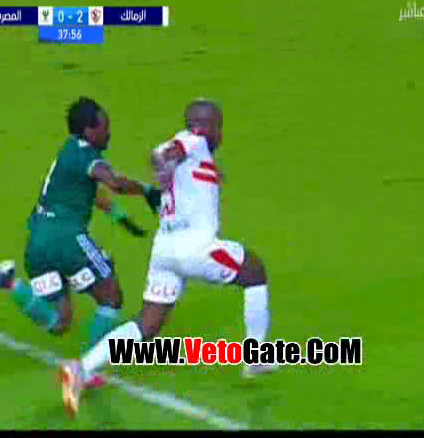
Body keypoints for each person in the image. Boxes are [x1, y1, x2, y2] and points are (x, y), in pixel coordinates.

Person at [58, 98, 277, 417]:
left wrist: (172, 168)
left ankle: (82, 368)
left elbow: (166, 156)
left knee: (147, 324)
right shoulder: (193, 140)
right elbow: (167, 153)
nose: (219, 134)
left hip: (165, 251)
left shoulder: (195, 156)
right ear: (205, 127)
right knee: (254, 272)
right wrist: (164, 164)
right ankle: (256, 356)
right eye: (218, 127)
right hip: (196, 247)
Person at [0, 97, 162, 388]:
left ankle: (11, 284)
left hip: (38, 243)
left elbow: (92, 195)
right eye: (104, 127)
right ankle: (88, 369)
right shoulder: (85, 155)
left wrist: (121, 219)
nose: (108, 133)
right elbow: (114, 182)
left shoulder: (68, 154)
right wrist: (147, 191)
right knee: (111, 297)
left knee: (60, 322)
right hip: (67, 240)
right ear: (88, 130)